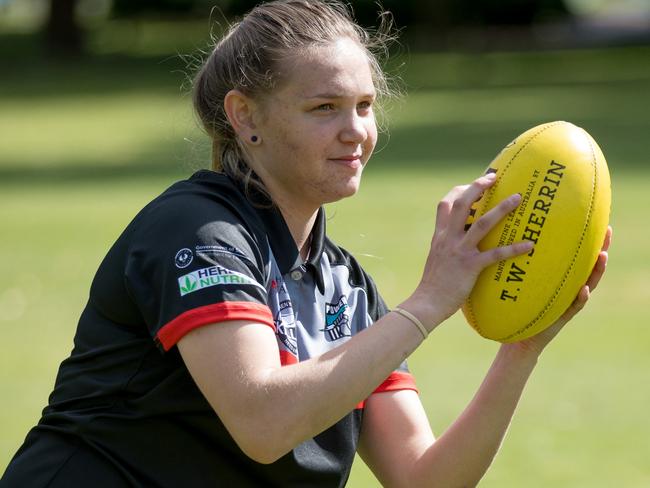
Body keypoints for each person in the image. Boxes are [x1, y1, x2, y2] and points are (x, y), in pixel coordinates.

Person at [1, 1, 611, 487]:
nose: (355, 131)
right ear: (245, 116)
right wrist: (428, 302)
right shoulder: (198, 232)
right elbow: (265, 423)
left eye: (365, 106)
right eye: (324, 108)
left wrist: (521, 347)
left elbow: (424, 478)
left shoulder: (344, 287)